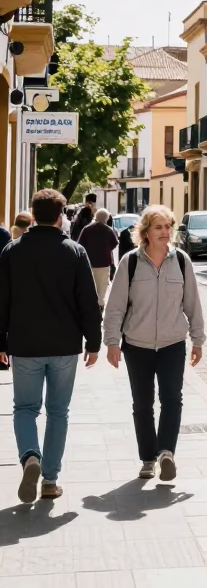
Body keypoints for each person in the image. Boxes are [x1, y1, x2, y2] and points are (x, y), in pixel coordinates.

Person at [0, 188, 101, 502]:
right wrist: (94, 342)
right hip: (64, 344)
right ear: (61, 217)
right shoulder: (74, 251)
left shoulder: (12, 252)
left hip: (24, 344)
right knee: (58, 412)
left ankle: (31, 456)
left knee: (25, 408)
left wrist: (0, 340)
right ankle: (50, 480)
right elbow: (88, 301)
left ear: (33, 212)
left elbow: (1, 300)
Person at [103, 205, 205, 482]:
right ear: (145, 231)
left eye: (168, 226)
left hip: (173, 343)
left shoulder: (182, 261)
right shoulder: (130, 262)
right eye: (158, 227)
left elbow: (193, 304)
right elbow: (115, 307)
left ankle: (166, 453)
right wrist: (112, 342)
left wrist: (198, 340)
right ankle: (148, 459)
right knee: (142, 403)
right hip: (137, 344)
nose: (165, 232)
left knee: (172, 399)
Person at [78, 209, 120, 306]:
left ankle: (91, 303)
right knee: (102, 285)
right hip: (104, 262)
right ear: (106, 218)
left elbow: (80, 244)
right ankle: (100, 304)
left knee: (90, 284)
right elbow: (114, 244)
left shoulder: (87, 229)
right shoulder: (108, 230)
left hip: (89, 262)